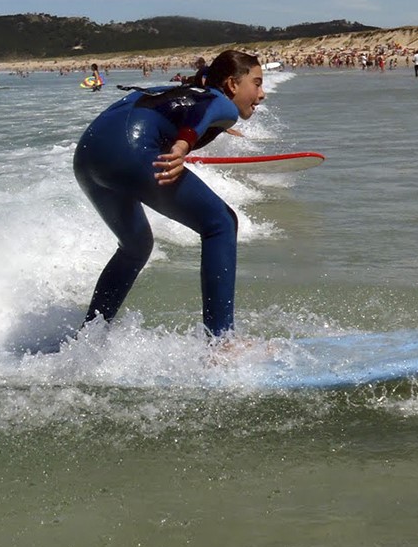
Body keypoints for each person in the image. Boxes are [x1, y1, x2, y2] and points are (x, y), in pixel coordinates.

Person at [34, 50, 265, 353]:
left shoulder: (181, 90)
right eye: (257, 84)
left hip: (88, 158)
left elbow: (177, 111)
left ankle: (87, 340)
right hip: (131, 148)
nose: (261, 95)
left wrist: (196, 133)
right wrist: (184, 144)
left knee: (135, 246)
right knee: (221, 223)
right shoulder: (220, 102)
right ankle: (222, 342)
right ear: (233, 84)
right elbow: (203, 113)